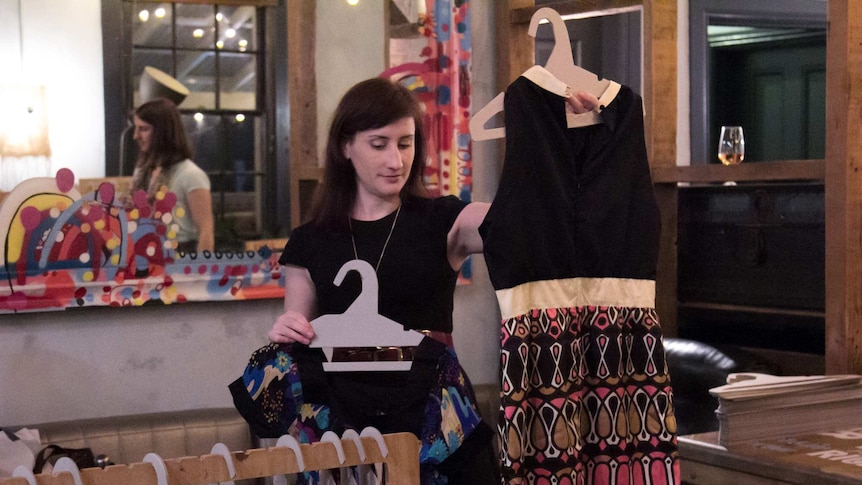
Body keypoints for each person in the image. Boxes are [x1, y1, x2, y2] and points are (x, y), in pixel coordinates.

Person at [130, 97, 214, 253]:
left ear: (163, 132)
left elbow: (206, 231)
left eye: (143, 129)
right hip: (146, 254)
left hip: (180, 257)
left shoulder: (191, 174)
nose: (136, 136)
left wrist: (201, 273)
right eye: (136, 128)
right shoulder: (143, 171)